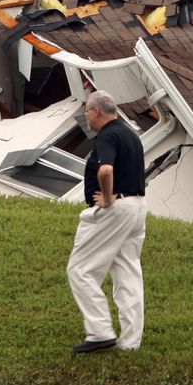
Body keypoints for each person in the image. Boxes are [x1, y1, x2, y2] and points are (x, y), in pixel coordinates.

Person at [66, 90, 148, 354]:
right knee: (127, 272)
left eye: (87, 111)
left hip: (117, 209)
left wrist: (109, 200)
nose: (86, 116)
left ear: (97, 112)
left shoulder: (108, 135)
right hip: (137, 207)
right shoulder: (130, 134)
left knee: (80, 270)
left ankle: (100, 331)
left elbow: (106, 169)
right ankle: (130, 343)